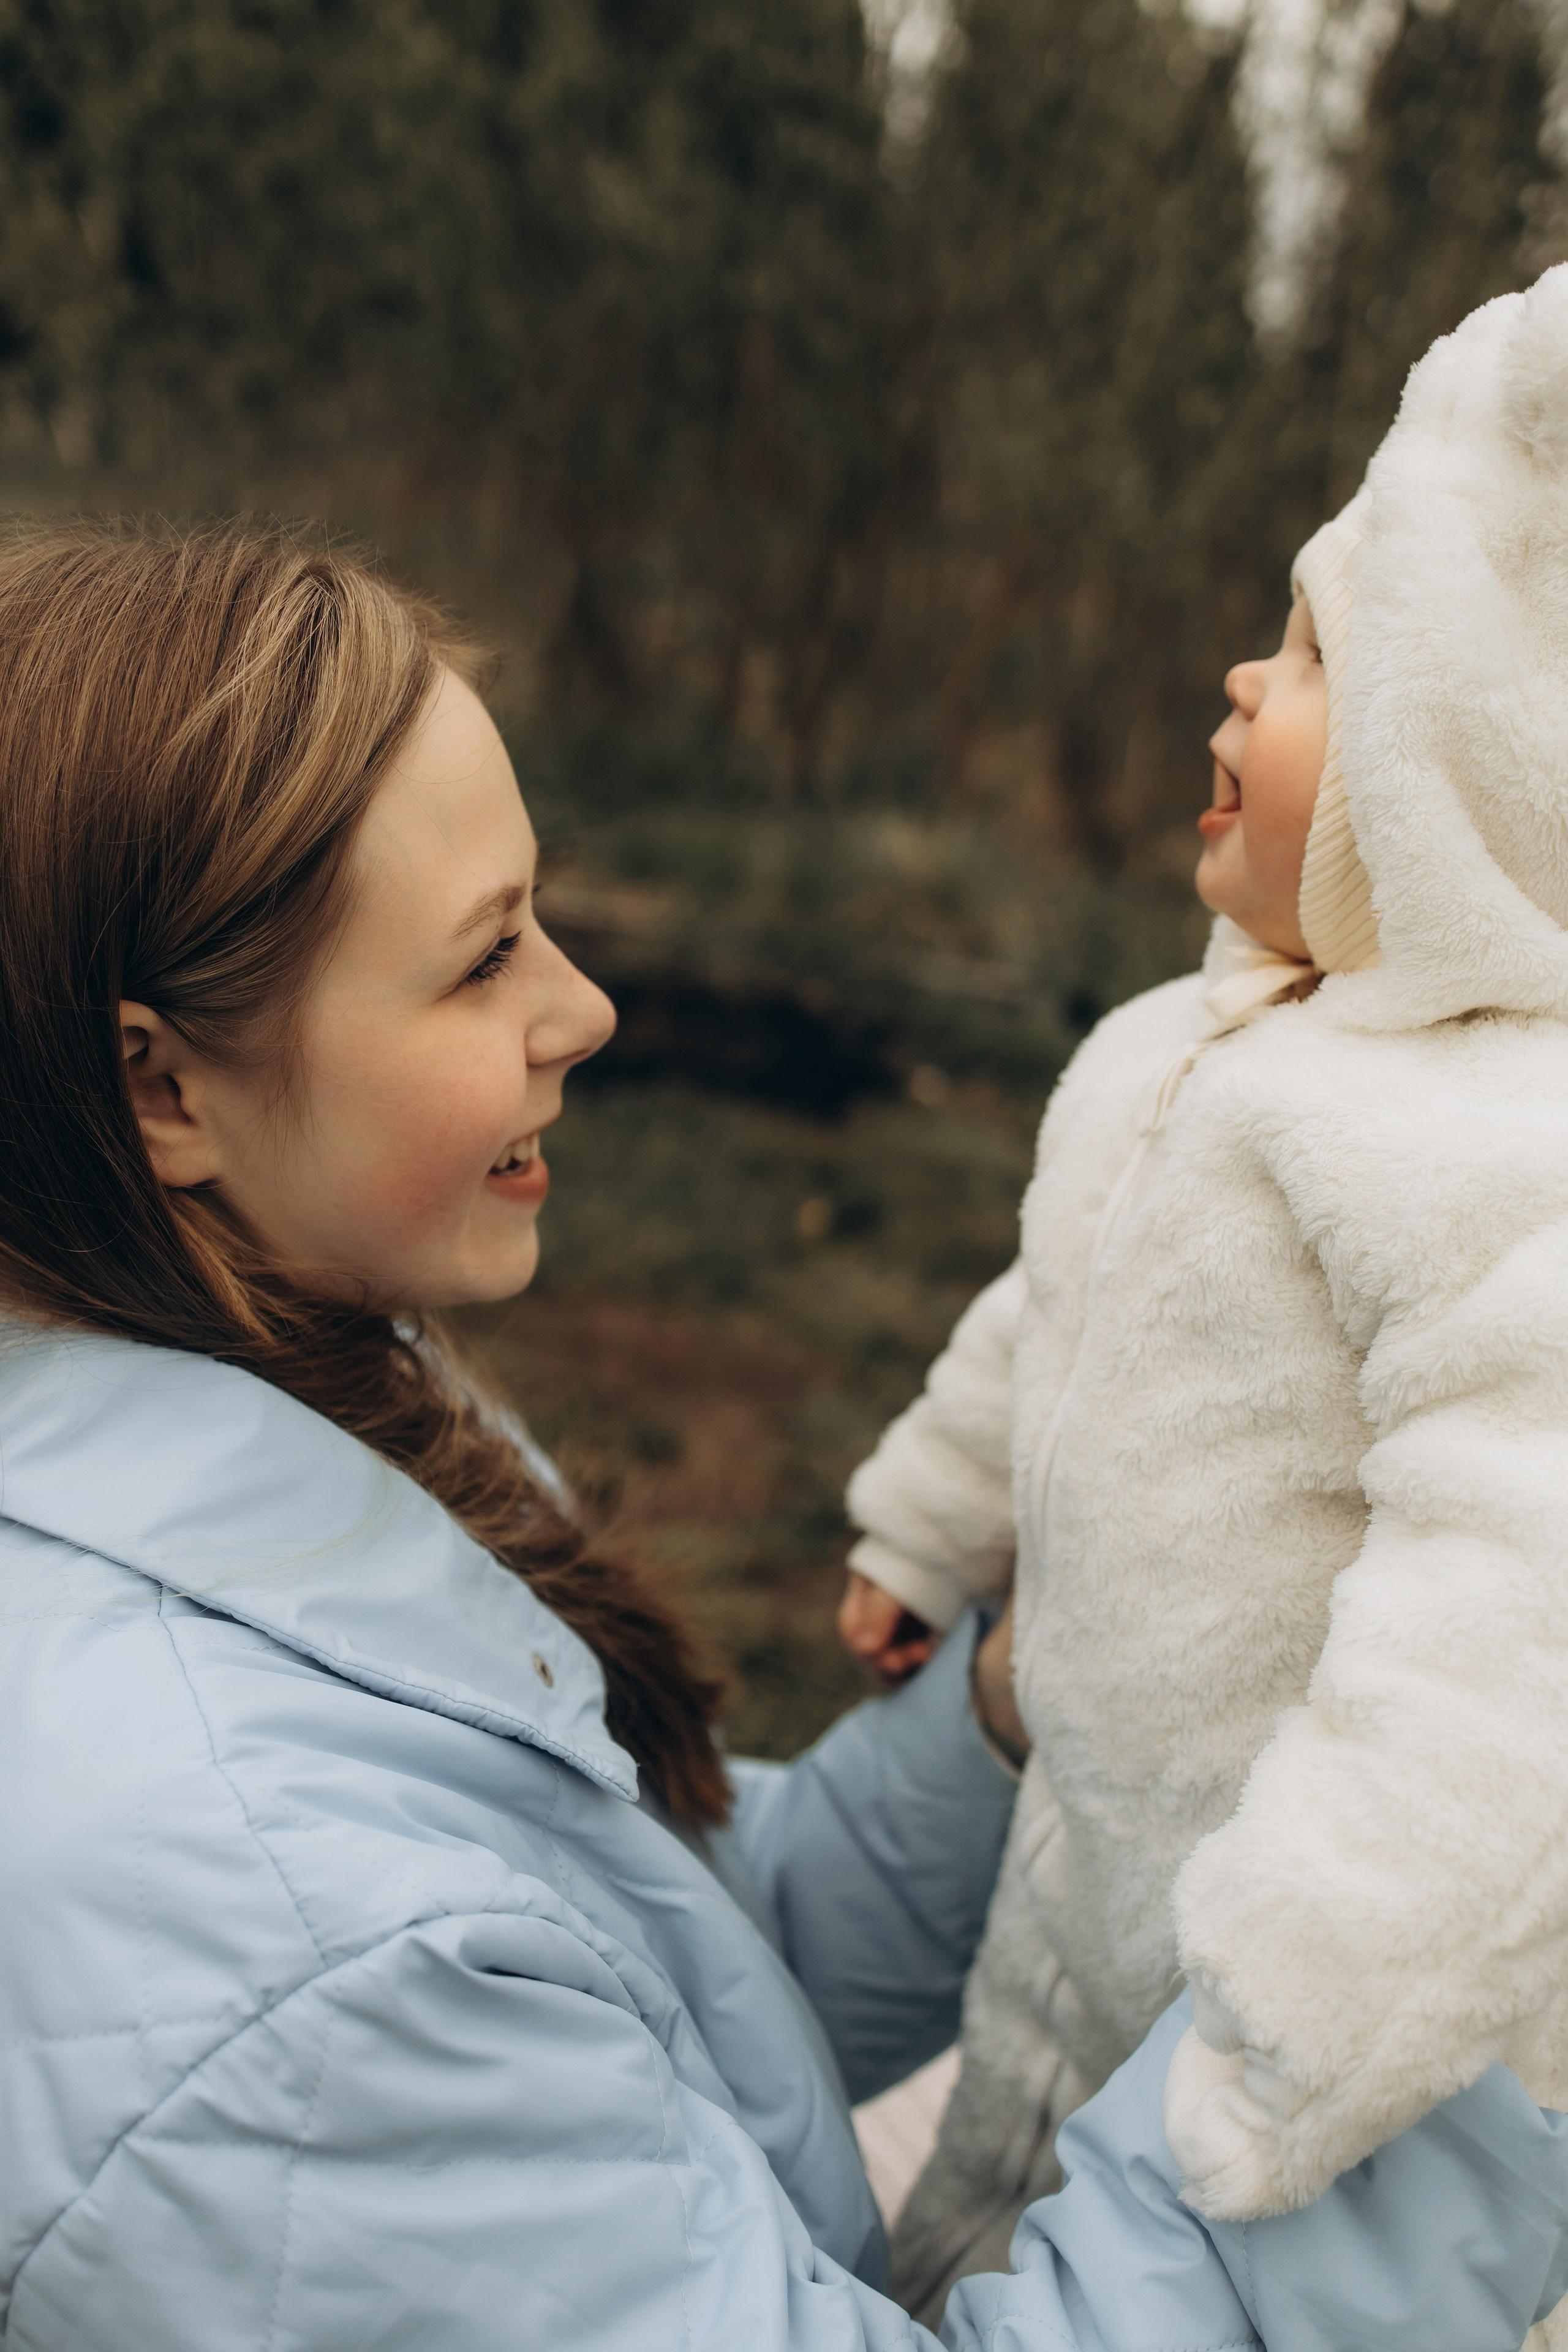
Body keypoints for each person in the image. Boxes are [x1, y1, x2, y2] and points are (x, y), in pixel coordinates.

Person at [0, 519, 1563, 2352]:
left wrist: (1026, 1698)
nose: (581, 1008)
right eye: (483, 957)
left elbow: (666, 1981)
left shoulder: (302, 1406)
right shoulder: (270, 1950)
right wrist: (1433, 2041)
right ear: (163, 1085)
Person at [839, 265, 1568, 2333]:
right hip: (1080, 1861)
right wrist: (931, 1514)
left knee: (1189, 2232)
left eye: (1325, 653)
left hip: (1302, 1999)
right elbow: (1057, 1303)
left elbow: (1521, 1626)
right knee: (997, 2175)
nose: (1241, 682)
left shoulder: (1505, 1149)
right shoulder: (1194, 1036)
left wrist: (1320, 2003)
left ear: (1484, 773)